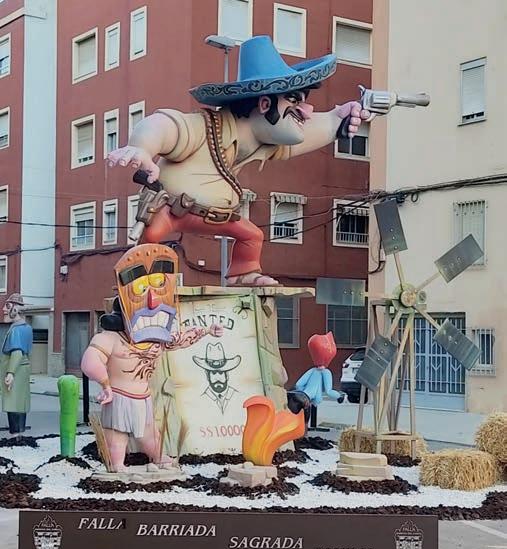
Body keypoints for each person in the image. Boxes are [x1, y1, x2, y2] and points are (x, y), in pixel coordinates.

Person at [107, 35, 370, 286]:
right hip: (171, 209)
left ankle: (243, 273)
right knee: (150, 241)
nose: (307, 111)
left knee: (252, 235)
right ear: (264, 104)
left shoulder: (262, 142)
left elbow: (304, 135)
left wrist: (337, 119)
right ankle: (139, 284)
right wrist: (142, 148)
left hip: (216, 216)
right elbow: (164, 125)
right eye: (293, 100)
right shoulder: (204, 127)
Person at [81, 244, 223, 472]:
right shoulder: (110, 338)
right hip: (119, 395)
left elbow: (181, 338)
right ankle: (117, 465)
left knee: (150, 432)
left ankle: (158, 458)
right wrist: (105, 384)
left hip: (143, 397)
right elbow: (90, 361)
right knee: (117, 433)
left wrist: (207, 330)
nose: (152, 304)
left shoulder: (157, 338)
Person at [1, 293, 33, 434]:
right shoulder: (26, 327)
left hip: (16, 369)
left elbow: (17, 352)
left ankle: (16, 434)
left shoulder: (16, 330)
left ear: (15, 309)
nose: (4, 309)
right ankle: (19, 433)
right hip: (22, 369)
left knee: (13, 402)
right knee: (20, 401)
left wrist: (10, 372)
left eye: (7, 306)